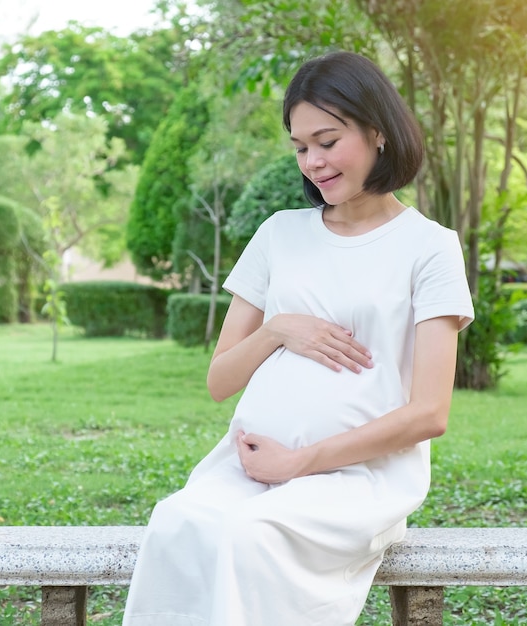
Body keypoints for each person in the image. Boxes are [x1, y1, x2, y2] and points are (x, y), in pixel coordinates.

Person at [122, 50, 474, 626]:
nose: (312, 160)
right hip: (248, 470)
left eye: (327, 140)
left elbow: (430, 413)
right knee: (177, 524)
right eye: (299, 145)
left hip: (357, 481)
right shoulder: (278, 234)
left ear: (378, 131)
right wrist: (279, 330)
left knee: (249, 536)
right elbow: (219, 381)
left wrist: (301, 463)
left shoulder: (430, 247)